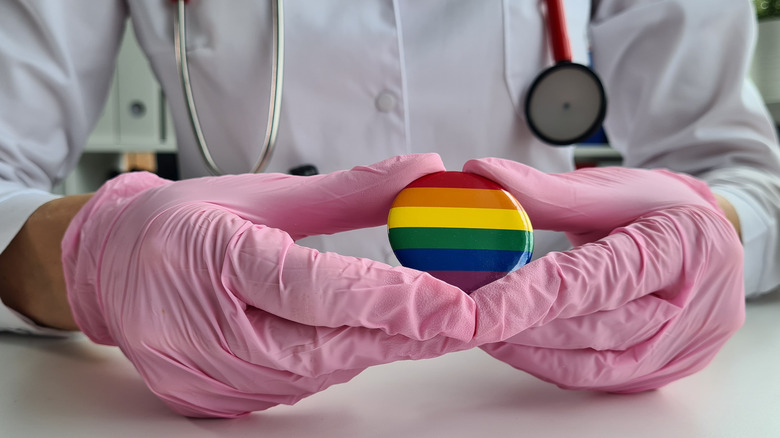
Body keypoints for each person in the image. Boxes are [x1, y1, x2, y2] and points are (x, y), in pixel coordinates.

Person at [0, 0, 777, 418]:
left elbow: (743, 174)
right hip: (235, 397)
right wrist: (96, 263)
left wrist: (709, 241)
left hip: (546, 405)